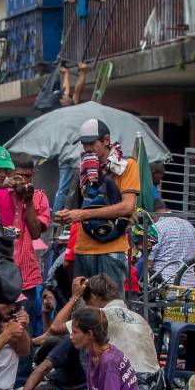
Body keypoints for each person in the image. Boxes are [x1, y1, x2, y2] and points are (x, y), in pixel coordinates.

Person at [55, 119, 140, 295]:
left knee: (112, 311)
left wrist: (82, 215)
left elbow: (127, 207)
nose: (87, 148)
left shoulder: (127, 165)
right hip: (83, 248)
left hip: (112, 250)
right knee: (84, 312)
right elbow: (78, 207)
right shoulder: (83, 168)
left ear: (106, 141)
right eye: (84, 144)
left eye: (91, 143)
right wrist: (67, 214)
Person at [29, 307, 139, 390]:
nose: (71, 336)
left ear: (90, 334)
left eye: (75, 332)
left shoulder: (110, 362)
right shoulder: (90, 353)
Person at [0, 151, 51, 385]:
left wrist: (27, 202)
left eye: (28, 176)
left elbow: (36, 231)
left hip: (26, 274)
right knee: (0, 328)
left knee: (25, 328)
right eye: (19, 176)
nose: (24, 182)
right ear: (9, 175)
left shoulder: (38, 198)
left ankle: (21, 385)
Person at [149, 199, 195, 285]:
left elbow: (149, 260)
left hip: (165, 283)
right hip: (190, 283)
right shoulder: (189, 225)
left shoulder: (155, 228)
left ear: (152, 214)